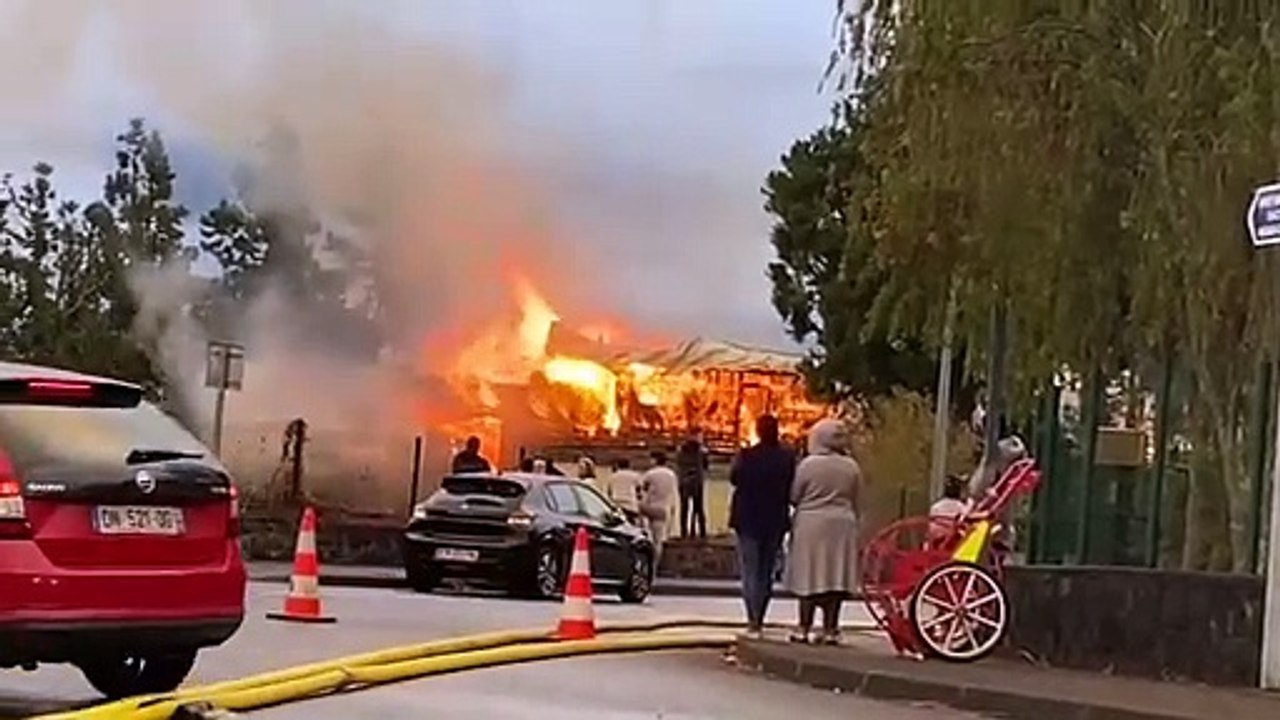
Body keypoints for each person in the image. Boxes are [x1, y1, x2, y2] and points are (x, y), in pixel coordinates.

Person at [787, 418, 861, 645]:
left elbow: (795, 495)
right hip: (842, 524)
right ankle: (831, 628)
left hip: (811, 523)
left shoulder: (809, 465)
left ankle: (803, 627)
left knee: (809, 576)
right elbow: (857, 497)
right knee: (835, 576)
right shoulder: (851, 467)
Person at [729, 414, 797, 637]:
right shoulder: (787, 458)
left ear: (757, 431)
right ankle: (761, 617)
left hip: (747, 519)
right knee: (766, 571)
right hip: (774, 519)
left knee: (750, 570)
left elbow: (734, 478)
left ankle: (752, 620)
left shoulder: (747, 456)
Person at [640, 450, 679, 563]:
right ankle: (656, 563)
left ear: (655, 460)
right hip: (663, 508)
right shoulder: (671, 474)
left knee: (646, 536)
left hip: (649, 506)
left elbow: (642, 488)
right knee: (658, 539)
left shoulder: (650, 474)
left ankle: (646, 561)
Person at [675, 435, 709, 539]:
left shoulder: (681, 454)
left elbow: (678, 463)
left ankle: (684, 532)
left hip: (684, 482)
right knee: (698, 508)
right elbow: (706, 466)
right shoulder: (700, 454)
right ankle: (701, 531)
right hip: (697, 482)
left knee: (684, 508)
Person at [928, 474, 969, 543]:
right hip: (952, 541)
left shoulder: (936, 506)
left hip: (935, 540)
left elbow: (931, 521)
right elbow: (965, 518)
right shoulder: (961, 507)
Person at [608, 457, 643, 524]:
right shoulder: (635, 475)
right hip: (630, 504)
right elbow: (639, 490)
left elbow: (609, 492)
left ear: (617, 465)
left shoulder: (613, 476)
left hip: (617, 504)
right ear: (629, 465)